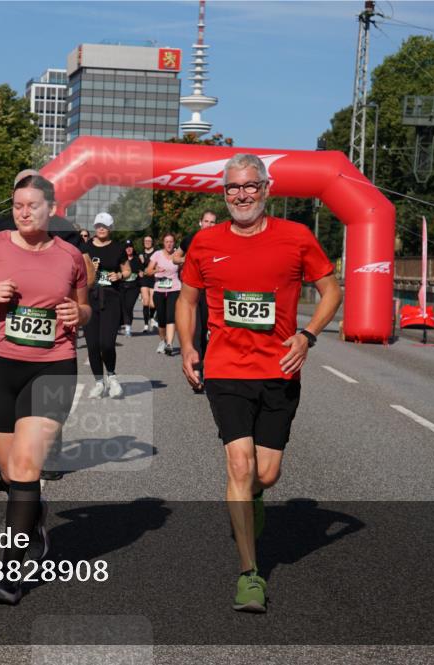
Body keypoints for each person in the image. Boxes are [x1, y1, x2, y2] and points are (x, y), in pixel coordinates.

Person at [177, 154, 341, 613]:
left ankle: (254, 499)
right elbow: (187, 300)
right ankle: (250, 573)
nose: (242, 195)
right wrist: (189, 347)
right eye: (233, 188)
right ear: (223, 193)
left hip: (280, 370)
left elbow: (333, 289)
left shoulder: (296, 237)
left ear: (267, 189)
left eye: (250, 186)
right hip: (226, 369)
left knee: (266, 474)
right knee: (239, 465)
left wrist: (308, 336)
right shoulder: (206, 243)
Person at [0, 174, 90, 605]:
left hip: (52, 369)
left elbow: (84, 307)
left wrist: (76, 313)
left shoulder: (71, 255)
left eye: (33, 205)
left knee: (26, 468)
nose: (24, 212)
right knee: (11, 473)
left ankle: (11, 569)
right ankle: (36, 519)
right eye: (18, 205)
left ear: (51, 208)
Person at [84, 212, 130, 399]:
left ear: (110, 228)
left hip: (111, 298)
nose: (101, 228)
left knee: (107, 343)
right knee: (93, 344)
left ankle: (111, 376)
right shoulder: (85, 248)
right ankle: (98, 382)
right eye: (98, 225)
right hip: (90, 298)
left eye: (104, 225)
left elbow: (127, 270)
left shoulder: (118, 248)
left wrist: (119, 276)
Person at [175, 210, 218, 392]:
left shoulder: (221, 239)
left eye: (213, 222)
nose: (209, 225)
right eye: (206, 221)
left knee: (211, 333)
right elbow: (175, 257)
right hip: (194, 291)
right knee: (196, 332)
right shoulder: (190, 238)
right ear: (200, 222)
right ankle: (198, 373)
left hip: (212, 292)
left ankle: (211, 371)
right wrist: (188, 259)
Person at [145, 233, 182, 355]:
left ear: (174, 243)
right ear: (163, 243)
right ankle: (162, 341)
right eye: (167, 242)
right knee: (161, 319)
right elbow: (147, 271)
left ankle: (170, 344)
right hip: (159, 291)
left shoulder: (178, 255)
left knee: (171, 316)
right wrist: (157, 270)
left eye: (171, 241)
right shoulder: (157, 254)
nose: (169, 244)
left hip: (174, 289)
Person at [120, 240, 144, 336]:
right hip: (122, 286)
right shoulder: (121, 260)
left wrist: (141, 273)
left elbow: (141, 272)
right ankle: (121, 324)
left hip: (133, 287)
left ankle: (128, 328)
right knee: (122, 307)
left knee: (129, 307)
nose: (129, 249)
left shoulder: (137, 259)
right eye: (127, 247)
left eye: (130, 247)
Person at [138, 235, 157, 332]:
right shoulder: (141, 253)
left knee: (153, 304)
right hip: (144, 280)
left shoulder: (156, 253)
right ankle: (146, 325)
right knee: (145, 302)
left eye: (149, 241)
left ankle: (152, 318)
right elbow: (138, 267)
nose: (147, 242)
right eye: (146, 241)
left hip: (154, 279)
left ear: (152, 242)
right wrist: (139, 271)